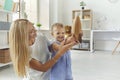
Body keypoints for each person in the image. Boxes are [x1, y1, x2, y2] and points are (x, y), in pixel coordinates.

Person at [9, 19, 77, 80]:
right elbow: (43, 68)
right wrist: (59, 53)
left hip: (48, 77)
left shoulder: (40, 37)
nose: (35, 32)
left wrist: (64, 44)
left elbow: (51, 46)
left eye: (34, 28)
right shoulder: (23, 54)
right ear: (23, 36)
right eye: (32, 31)